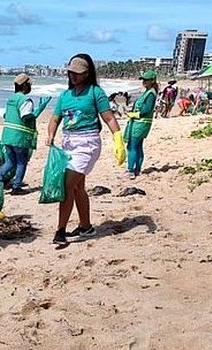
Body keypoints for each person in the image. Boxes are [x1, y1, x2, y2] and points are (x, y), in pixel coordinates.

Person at [45, 54, 125, 245]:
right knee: (78, 186)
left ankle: (60, 230)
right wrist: (50, 134)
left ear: (87, 73)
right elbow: (55, 119)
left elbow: (109, 118)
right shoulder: (65, 95)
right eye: (71, 72)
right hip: (68, 144)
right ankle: (86, 226)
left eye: (78, 73)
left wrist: (118, 139)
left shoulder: (95, 92)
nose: (73, 76)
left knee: (66, 186)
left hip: (88, 144)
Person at [0, 74, 52, 195]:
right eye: (30, 85)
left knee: (10, 162)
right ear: (25, 86)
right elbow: (26, 117)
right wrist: (40, 108)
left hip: (7, 136)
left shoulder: (11, 99)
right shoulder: (25, 100)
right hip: (19, 138)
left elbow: (6, 115)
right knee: (21, 162)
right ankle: (16, 187)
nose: (31, 87)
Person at [123, 71, 158, 178]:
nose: (144, 82)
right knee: (138, 147)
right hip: (139, 122)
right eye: (143, 80)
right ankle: (137, 169)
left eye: (146, 80)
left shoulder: (151, 93)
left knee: (132, 146)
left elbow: (147, 109)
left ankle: (130, 171)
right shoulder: (148, 92)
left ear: (152, 81)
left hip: (141, 123)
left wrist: (134, 114)